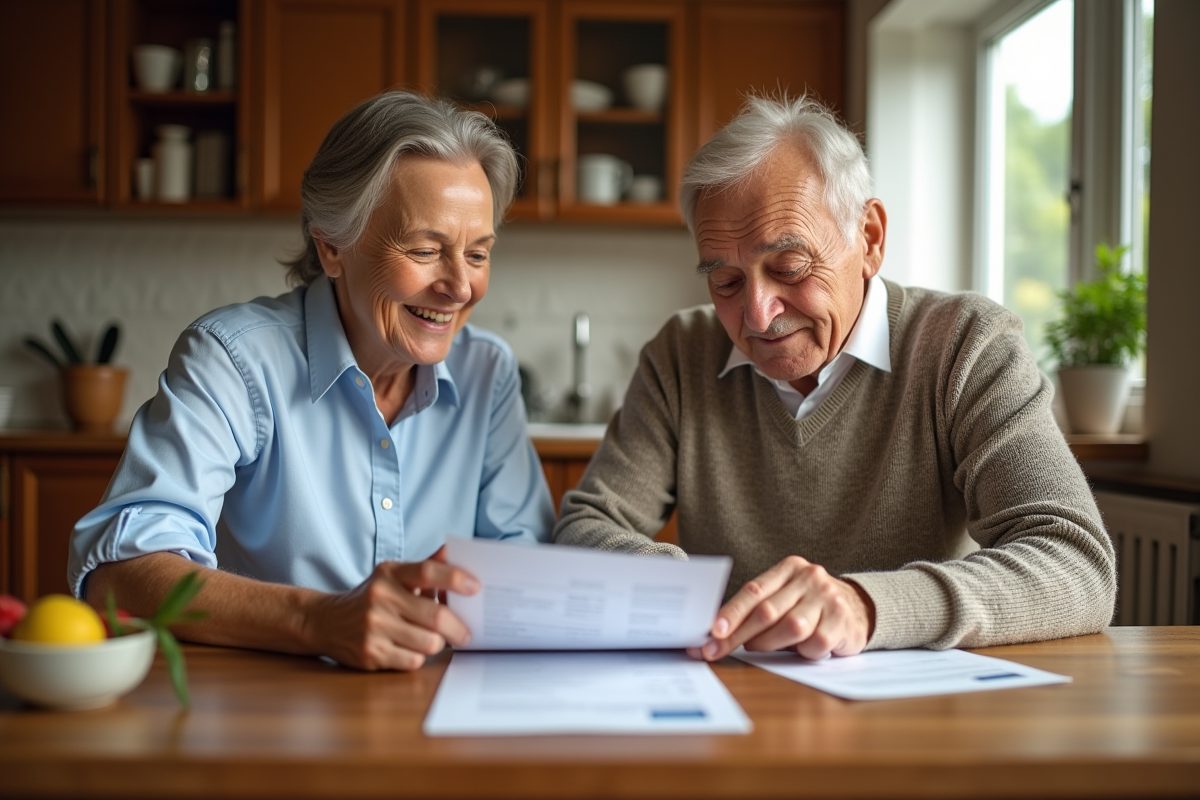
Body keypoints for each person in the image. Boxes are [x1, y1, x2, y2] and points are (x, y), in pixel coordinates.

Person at [553, 95, 1115, 661]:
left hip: (913, 717)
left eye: (789, 268)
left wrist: (866, 607)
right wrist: (667, 583)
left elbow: (1075, 563)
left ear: (869, 238)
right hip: (730, 696)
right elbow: (587, 522)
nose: (756, 315)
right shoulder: (681, 352)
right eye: (725, 282)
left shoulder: (967, 343)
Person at [70, 91, 554, 671]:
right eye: (426, 250)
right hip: (264, 711)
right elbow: (122, 574)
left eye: (477, 254)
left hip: (435, 708)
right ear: (331, 246)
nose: (460, 286)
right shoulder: (233, 359)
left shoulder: (488, 372)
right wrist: (317, 620)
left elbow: (526, 564)